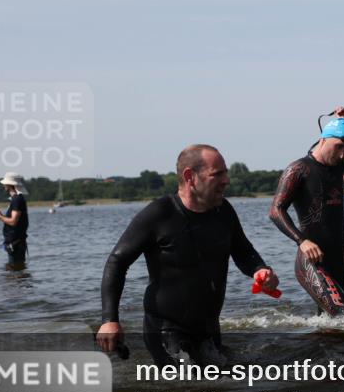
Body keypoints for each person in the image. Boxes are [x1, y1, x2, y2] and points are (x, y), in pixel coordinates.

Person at [96, 144, 279, 366]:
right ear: (190, 177)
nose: (226, 180)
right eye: (217, 174)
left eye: (225, 172)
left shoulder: (224, 211)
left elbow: (243, 251)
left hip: (208, 330)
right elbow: (117, 261)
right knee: (196, 390)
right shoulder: (159, 214)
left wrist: (260, 270)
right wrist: (109, 320)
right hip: (167, 331)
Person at [269, 107, 344, 315]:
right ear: (323, 139)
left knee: (336, 321)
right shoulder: (298, 169)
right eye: (338, 147)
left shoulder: (340, 164)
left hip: (339, 258)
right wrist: (301, 241)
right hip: (312, 260)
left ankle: (321, 347)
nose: (342, 154)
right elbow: (276, 210)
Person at [0, 172, 29, 270]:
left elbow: (13, 221)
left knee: (15, 273)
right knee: (16, 273)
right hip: (16, 243)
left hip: (16, 244)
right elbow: (12, 220)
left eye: (5, 183)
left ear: (10, 185)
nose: (3, 185)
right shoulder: (16, 199)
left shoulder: (16, 200)